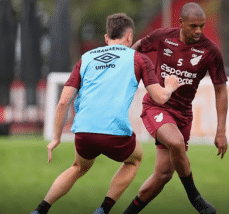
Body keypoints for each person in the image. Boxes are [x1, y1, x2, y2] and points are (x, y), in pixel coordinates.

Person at [30, 13, 181, 214]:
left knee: (77, 167)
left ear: (106, 38)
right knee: (135, 159)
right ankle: (103, 209)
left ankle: (40, 209)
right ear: (129, 37)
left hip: (84, 130)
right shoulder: (139, 59)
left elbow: (63, 102)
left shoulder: (86, 58)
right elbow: (160, 97)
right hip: (115, 132)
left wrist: (56, 138)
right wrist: (170, 87)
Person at [123, 2, 228, 214]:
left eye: (202, 25)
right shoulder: (163, 36)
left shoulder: (210, 51)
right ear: (180, 23)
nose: (199, 30)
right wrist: (122, 68)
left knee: (162, 176)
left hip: (183, 115)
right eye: (193, 26)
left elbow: (220, 90)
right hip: (157, 105)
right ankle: (196, 198)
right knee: (176, 142)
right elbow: (137, 48)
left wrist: (221, 131)